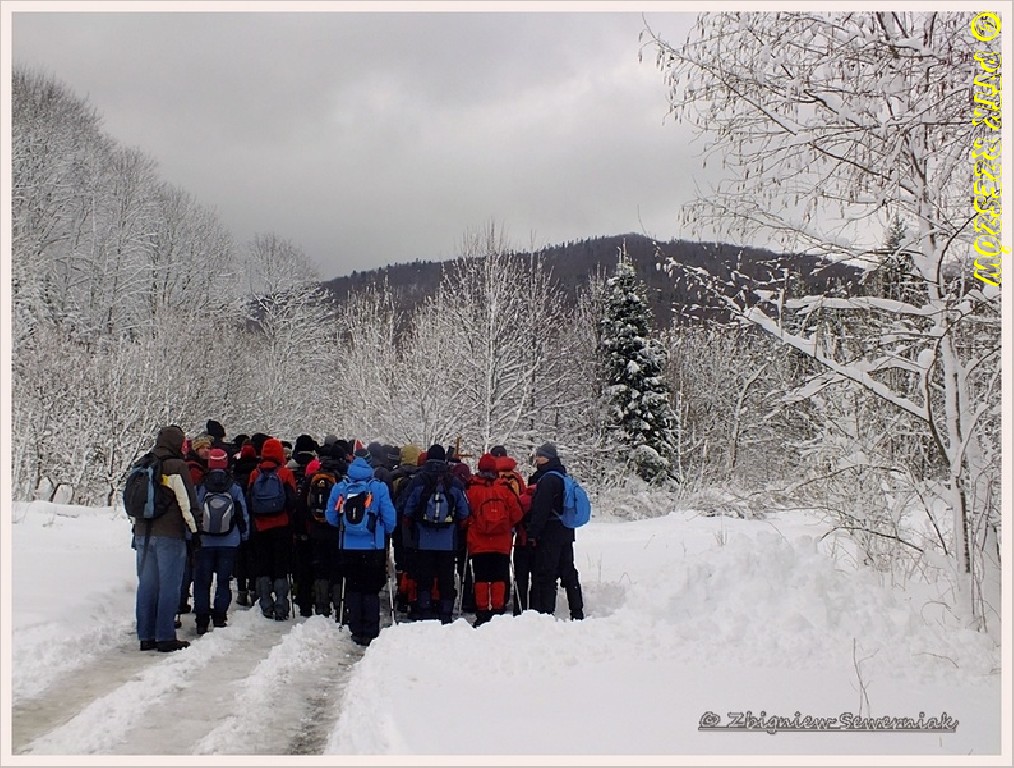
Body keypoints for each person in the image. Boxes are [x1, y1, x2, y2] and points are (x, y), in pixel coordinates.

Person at [133, 425, 198, 652]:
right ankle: (165, 636)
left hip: (142, 533)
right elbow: (187, 503)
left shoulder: (142, 463)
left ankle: (145, 635)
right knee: (169, 586)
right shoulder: (176, 466)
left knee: (147, 585)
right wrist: (196, 530)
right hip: (170, 536)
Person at [325, 455, 397, 646]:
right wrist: (385, 531)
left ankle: (356, 629)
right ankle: (371, 630)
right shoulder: (378, 487)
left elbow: (331, 516)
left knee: (353, 587)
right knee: (371, 588)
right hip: (373, 546)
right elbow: (390, 518)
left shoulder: (340, 488)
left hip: (348, 546)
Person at [398, 444, 470, 623]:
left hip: (423, 538)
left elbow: (407, 509)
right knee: (446, 578)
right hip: (448, 540)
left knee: (425, 578)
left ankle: (425, 610)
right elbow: (464, 511)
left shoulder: (418, 480)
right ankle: (445, 613)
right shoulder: (453, 481)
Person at [193, 448, 250, 634]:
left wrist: (192, 535)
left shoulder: (202, 486)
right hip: (229, 541)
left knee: (202, 582)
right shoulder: (233, 487)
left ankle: (202, 620)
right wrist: (244, 535)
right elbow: (242, 513)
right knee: (224, 581)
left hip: (204, 542)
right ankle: (219, 617)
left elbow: (195, 510)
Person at [526, 442, 584, 620]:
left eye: (540, 456)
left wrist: (533, 532)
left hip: (550, 533)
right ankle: (577, 611)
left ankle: (546, 613)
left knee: (547, 573)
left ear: (548, 458)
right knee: (568, 571)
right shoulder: (563, 476)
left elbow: (541, 510)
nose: (537, 459)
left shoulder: (547, 480)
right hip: (566, 530)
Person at [464, 453, 524, 627]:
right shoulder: (505, 488)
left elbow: (464, 514)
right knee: (498, 577)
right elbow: (517, 514)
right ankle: (498, 610)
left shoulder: (471, 489)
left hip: (479, 543)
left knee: (481, 578)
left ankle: (482, 611)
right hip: (501, 543)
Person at [247, 437, 298, 620]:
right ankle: (281, 605)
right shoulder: (285, 473)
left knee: (263, 565)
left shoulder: (255, 474)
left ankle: (266, 604)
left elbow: (249, 500)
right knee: (280, 566)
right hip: (282, 526)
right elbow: (292, 502)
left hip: (261, 527)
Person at [492, 446, 534, 614]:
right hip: (507, 526)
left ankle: (491, 599)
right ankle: (503, 597)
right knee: (504, 560)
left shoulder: (491, 476)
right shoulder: (515, 477)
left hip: (486, 527)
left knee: (488, 563)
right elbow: (522, 499)